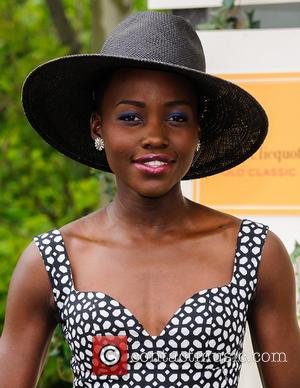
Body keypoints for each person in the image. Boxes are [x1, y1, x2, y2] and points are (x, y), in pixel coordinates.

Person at [0, 11, 299, 388]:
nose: (155, 136)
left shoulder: (254, 252)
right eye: (130, 117)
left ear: (197, 130)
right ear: (98, 126)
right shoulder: (52, 260)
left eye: (176, 117)